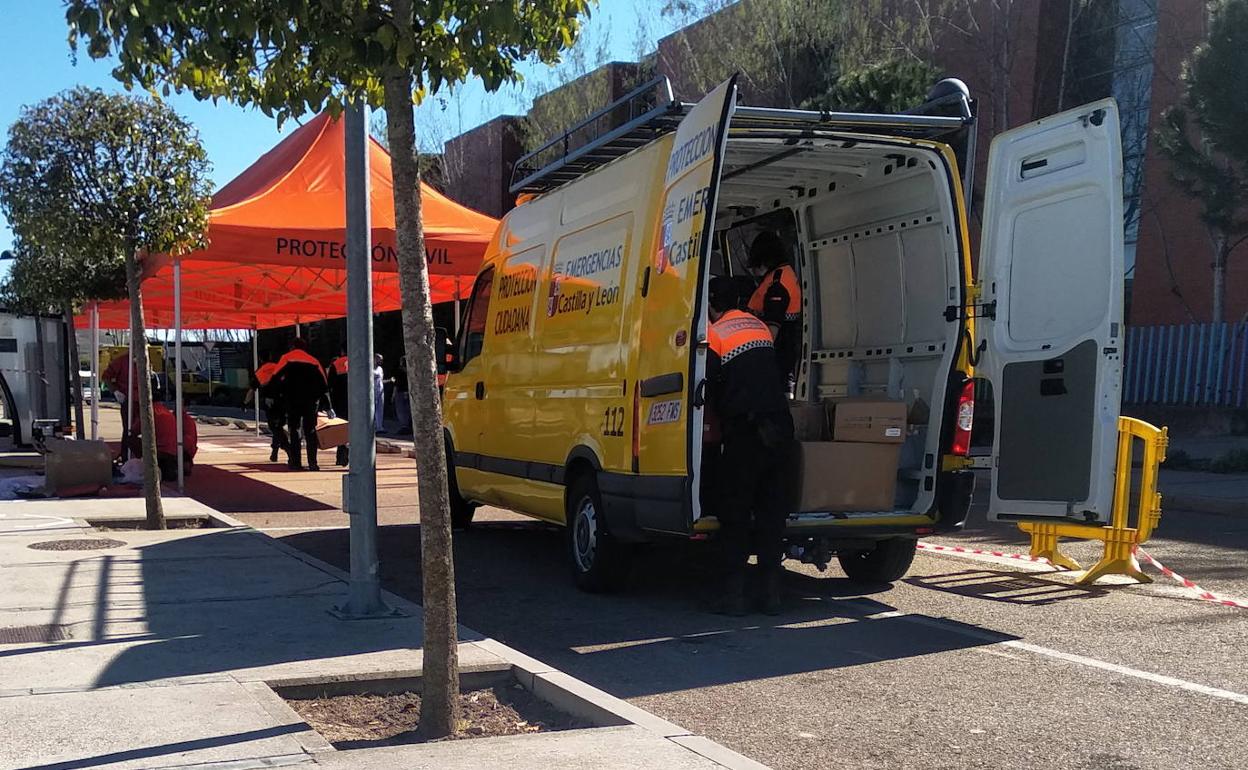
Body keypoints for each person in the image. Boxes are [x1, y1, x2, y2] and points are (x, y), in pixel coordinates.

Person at [706, 275, 796, 616]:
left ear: (713, 303)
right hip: (779, 426)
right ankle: (771, 595)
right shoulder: (758, 326)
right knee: (773, 513)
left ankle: (733, 596)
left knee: (736, 512)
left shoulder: (716, 334)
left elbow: (708, 384)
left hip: (746, 430)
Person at [746, 231, 802, 387]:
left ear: (763, 260)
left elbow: (772, 329)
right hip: (782, 354)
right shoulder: (785, 275)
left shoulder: (777, 284)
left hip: (775, 358)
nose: (753, 271)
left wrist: (755, 361)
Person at [272, 338, 330, 471]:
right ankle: (313, 463)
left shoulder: (286, 358)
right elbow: (324, 385)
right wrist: (327, 405)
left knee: (294, 430)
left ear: (292, 347)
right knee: (310, 430)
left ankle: (296, 462)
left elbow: (275, 378)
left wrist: (278, 396)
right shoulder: (314, 361)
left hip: (292, 399)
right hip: (311, 401)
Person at [102, 351, 136, 461]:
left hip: (143, 402)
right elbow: (106, 377)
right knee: (128, 429)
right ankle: (126, 456)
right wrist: (116, 391)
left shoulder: (145, 360)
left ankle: (138, 456)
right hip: (127, 400)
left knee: (141, 430)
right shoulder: (121, 361)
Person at [254, 353, 287, 463]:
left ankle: (287, 449)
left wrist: (244, 403)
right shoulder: (279, 367)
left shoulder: (260, 371)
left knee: (275, 428)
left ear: (260, 359)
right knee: (279, 427)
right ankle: (276, 451)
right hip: (282, 400)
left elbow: (252, 388)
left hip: (269, 402)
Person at [327, 348, 350, 467]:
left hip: (340, 401)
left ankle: (341, 456)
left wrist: (329, 405)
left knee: (342, 429)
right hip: (358, 402)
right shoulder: (361, 361)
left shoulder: (336, 364)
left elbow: (329, 385)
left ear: (342, 351)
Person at [393, 356, 411, 435]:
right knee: (407, 409)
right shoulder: (410, 371)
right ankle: (408, 425)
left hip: (400, 392)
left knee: (401, 410)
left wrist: (393, 395)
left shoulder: (399, 371)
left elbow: (397, 384)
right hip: (407, 391)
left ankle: (404, 426)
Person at [373, 353, 385, 434]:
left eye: (381, 359)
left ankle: (379, 426)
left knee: (380, 408)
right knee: (373, 409)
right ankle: (373, 425)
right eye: (378, 359)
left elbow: (381, 380)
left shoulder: (380, 369)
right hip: (372, 391)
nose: (380, 361)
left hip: (380, 391)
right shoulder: (370, 369)